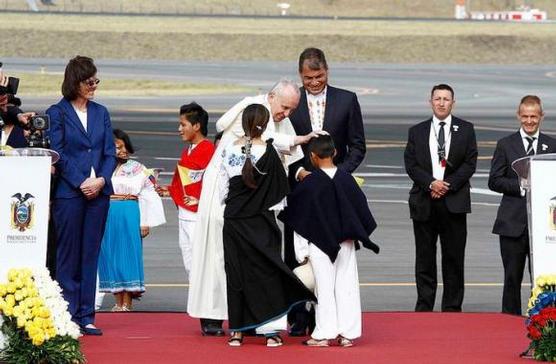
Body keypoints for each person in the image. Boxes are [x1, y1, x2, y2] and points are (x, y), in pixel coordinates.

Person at [187, 79, 317, 336]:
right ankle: (213, 314)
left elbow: (290, 159)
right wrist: (299, 138)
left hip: (256, 200)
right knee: (218, 254)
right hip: (226, 195)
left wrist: (301, 170)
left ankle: (251, 316)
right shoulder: (253, 111)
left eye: (291, 110)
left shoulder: (276, 115)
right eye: (284, 107)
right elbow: (267, 139)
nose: (286, 114)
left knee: (253, 259)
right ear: (271, 96)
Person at [285, 47, 366, 336]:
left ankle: (334, 321)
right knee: (298, 256)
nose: (314, 82)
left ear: (327, 72)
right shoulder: (290, 101)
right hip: (300, 189)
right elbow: (284, 145)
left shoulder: (347, 100)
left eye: (319, 76)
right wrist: (298, 172)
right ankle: (299, 315)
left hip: (335, 193)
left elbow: (358, 145)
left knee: (335, 258)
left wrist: (337, 174)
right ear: (300, 75)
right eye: (308, 78)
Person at [220, 103, 316, 347]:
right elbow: (278, 195)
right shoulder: (270, 154)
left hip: (233, 220)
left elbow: (223, 187)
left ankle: (237, 330)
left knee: (236, 273)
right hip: (262, 222)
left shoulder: (229, 148)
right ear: (265, 126)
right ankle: (271, 331)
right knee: (268, 272)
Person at [278, 135, 379, 347]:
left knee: (323, 289)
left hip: (319, 243)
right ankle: (347, 334)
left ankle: (323, 333)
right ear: (335, 153)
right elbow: (362, 211)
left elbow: (299, 219)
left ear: (312, 156)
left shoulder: (309, 184)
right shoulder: (347, 179)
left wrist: (301, 253)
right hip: (346, 243)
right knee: (347, 286)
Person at [46, 56, 116, 335]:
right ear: (74, 82)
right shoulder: (57, 112)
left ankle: (87, 315)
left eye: (96, 81)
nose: (94, 86)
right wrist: (81, 181)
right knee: (68, 255)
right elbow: (58, 153)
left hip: (98, 193)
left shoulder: (102, 113)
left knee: (90, 253)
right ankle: (67, 313)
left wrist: (100, 180)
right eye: (89, 82)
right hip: (70, 194)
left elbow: (109, 152)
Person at [403, 83, 477, 312]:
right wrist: (430, 183)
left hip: (453, 202)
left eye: (446, 99)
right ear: (431, 102)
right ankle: (424, 306)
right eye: (438, 99)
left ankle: (452, 307)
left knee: (453, 257)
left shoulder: (466, 129)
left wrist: (448, 185)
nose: (442, 103)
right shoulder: (417, 131)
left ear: (453, 103)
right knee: (424, 258)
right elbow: (411, 164)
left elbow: (470, 163)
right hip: (425, 202)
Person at [488, 95, 556, 316]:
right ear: (519, 116)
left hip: (545, 227)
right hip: (512, 223)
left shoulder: (552, 144)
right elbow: (494, 180)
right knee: (511, 278)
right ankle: (509, 320)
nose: (529, 121)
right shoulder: (506, 145)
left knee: (545, 279)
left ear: (541, 116)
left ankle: (544, 323)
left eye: (533, 116)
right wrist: (521, 185)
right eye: (525, 116)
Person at [97, 129, 166, 312]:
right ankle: (117, 300)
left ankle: (128, 301)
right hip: (107, 212)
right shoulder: (101, 166)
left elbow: (148, 194)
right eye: (118, 147)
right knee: (109, 255)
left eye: (124, 146)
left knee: (128, 254)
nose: (123, 151)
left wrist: (145, 221)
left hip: (129, 211)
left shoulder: (137, 168)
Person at [156, 102, 215, 282]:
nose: (179, 129)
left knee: (200, 264)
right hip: (185, 214)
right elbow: (184, 182)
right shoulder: (188, 150)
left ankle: (205, 305)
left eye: (183, 125)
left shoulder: (209, 150)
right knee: (189, 262)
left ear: (196, 126)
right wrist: (169, 190)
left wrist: (198, 200)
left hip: (198, 216)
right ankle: (195, 302)